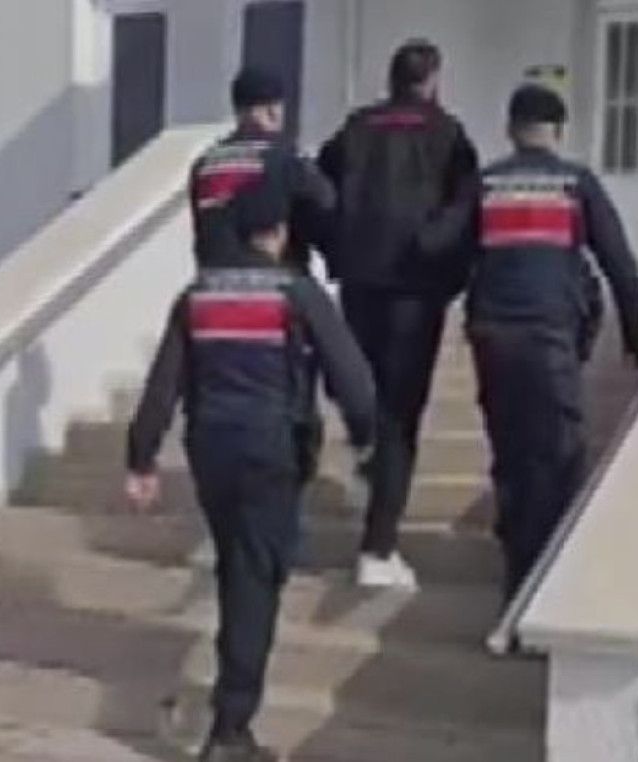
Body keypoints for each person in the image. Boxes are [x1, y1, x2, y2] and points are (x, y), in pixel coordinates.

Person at [125, 178, 375, 762]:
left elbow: (163, 384)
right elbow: (353, 379)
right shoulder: (296, 292)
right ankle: (230, 730)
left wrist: (141, 458)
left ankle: (231, 706)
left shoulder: (197, 296)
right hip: (271, 452)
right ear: (279, 232)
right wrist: (365, 440)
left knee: (240, 567)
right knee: (257, 578)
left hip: (211, 451)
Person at [463, 83, 638, 600]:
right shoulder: (575, 184)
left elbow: (445, 247)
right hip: (549, 338)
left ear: (510, 129)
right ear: (560, 132)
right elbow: (620, 263)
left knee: (512, 455)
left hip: (494, 338)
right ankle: (541, 585)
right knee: (558, 459)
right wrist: (637, 338)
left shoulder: (486, 183)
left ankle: (516, 576)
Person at [317, 39, 479, 588]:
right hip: (416, 288)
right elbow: (467, 207)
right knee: (400, 416)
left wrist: (338, 252)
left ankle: (369, 452)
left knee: (364, 395)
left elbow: (319, 193)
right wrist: (448, 267)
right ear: (431, 80)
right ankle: (378, 547)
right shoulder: (446, 133)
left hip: (362, 282)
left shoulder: (356, 129)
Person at [190, 66, 336, 273]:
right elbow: (325, 210)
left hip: (213, 283)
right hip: (274, 281)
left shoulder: (205, 165)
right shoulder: (288, 160)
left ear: (237, 109)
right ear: (273, 111)